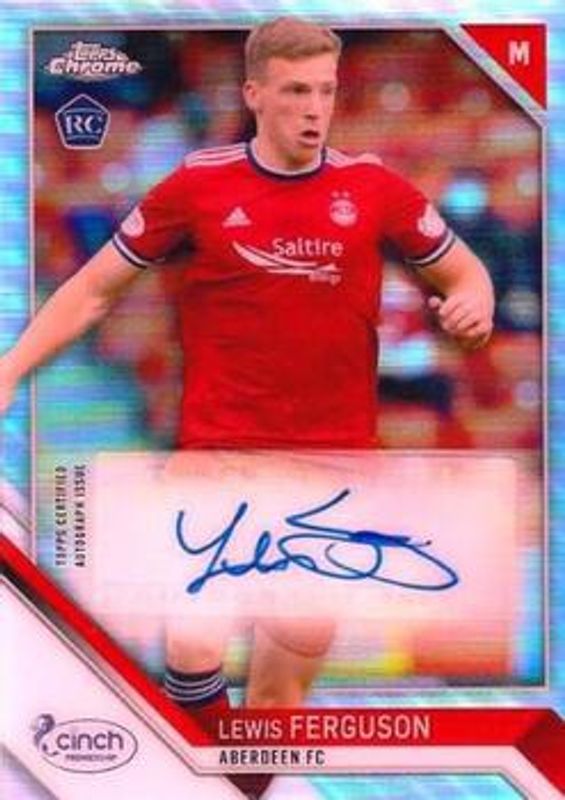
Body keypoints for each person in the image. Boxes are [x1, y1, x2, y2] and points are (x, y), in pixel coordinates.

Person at [0, 17, 494, 798]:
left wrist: (473, 301)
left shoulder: (375, 191)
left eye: (325, 91)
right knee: (193, 647)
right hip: (218, 456)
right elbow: (95, 290)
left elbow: (464, 272)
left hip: (333, 473)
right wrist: (9, 369)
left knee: (273, 706)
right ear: (254, 94)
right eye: (296, 91)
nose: (314, 109)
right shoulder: (197, 186)